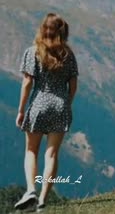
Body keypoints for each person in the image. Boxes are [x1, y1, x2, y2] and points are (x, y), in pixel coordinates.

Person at [14, 13, 78, 212]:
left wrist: (21, 110)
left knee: (31, 150)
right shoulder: (68, 55)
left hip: (39, 104)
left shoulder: (33, 52)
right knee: (52, 154)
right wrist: (66, 104)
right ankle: (42, 200)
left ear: (43, 29)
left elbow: (27, 83)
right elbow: (73, 84)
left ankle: (31, 190)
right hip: (61, 104)